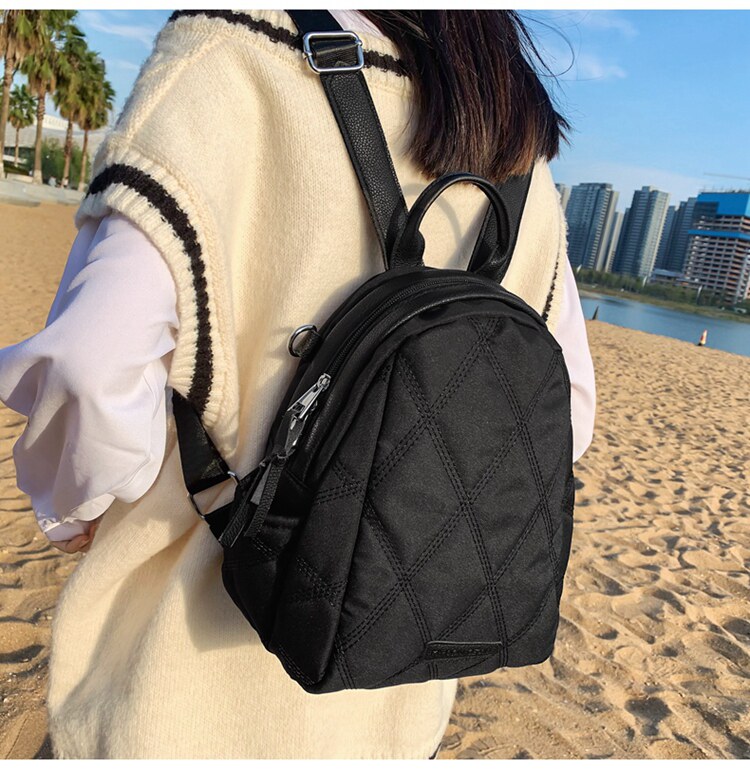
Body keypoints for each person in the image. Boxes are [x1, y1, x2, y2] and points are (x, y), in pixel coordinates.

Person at [0, 10, 595, 759]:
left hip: (174, 694)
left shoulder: (231, 55)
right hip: (389, 708)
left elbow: (91, 364)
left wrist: (71, 504)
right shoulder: (513, 135)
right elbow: (569, 414)